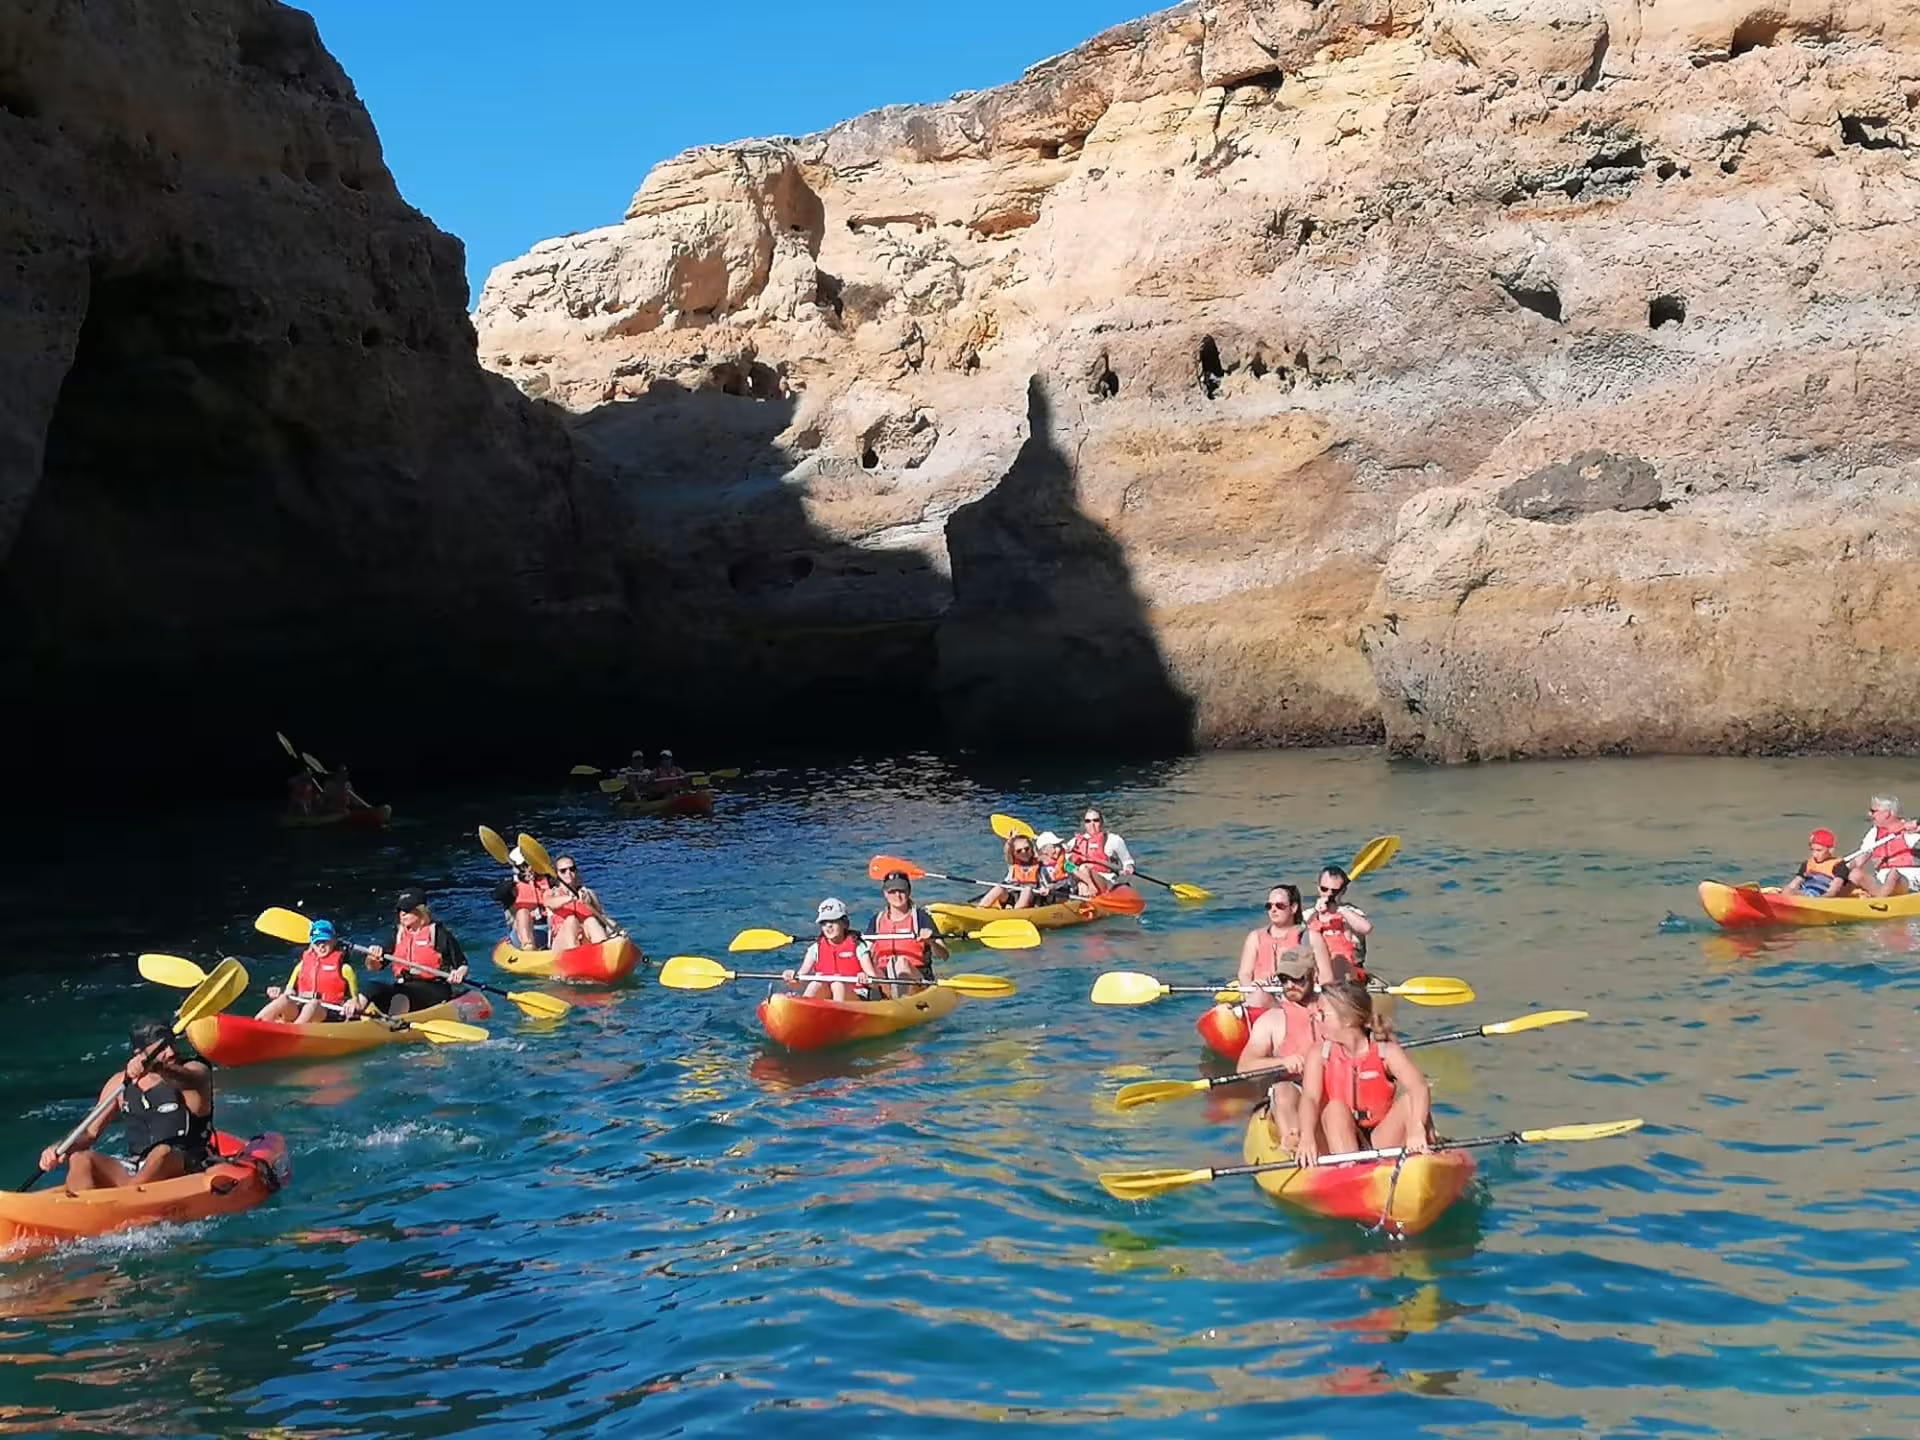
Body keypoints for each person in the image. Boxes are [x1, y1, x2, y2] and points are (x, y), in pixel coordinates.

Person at [38, 1023, 216, 1190]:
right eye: (161, 1049)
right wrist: (61, 1147)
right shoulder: (120, 1083)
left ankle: (129, 1197)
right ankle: (84, 1205)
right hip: (139, 1167)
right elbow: (90, 1132)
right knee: (80, 1158)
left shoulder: (195, 1069)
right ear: (139, 1053)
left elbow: (191, 1079)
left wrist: (158, 1066)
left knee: (162, 1153)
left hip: (187, 1162)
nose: (171, 1052)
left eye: (171, 1044)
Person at [1296, 979, 1434, 1165]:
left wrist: (1417, 1127)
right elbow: (1310, 1098)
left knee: (1410, 1101)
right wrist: (1306, 1137)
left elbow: (1419, 1087)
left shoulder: (1386, 1051)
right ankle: (1348, 1168)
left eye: (1322, 1014)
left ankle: (1419, 1150)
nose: (1317, 1019)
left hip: (1381, 1139)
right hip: (1340, 1136)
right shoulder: (1319, 1053)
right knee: (1334, 1109)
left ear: (1347, 1020)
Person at [1236, 948, 1321, 1150]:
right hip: (1295, 1091)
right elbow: (1244, 1067)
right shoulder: (1272, 1020)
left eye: (1297, 978)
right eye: (1284, 979)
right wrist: (1283, 1062)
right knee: (1282, 1090)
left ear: (1314, 975)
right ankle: (1294, 1146)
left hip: (1333, 1089)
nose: (1289, 985)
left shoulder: (1334, 1011)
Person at [358, 890, 470, 1017]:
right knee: (371, 987)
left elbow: (462, 965)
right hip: (404, 987)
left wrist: (458, 974)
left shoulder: (439, 933)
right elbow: (373, 967)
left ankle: (394, 1023)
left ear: (421, 911)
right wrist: (372, 957)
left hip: (434, 988)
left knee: (402, 994)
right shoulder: (398, 934)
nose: (403, 914)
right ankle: (351, 1014)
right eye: (400, 910)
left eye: (407, 910)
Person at [1237, 884, 1335, 1007]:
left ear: (1293, 908)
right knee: (1258, 997)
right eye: (1269, 906)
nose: (1273, 910)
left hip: (1298, 1002)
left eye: (1280, 906)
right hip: (1260, 1000)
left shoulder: (1311, 938)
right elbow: (1244, 974)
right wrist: (1251, 988)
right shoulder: (1255, 937)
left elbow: (1326, 978)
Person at [256, 918, 357, 1024]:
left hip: (329, 1012)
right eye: (317, 942)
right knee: (283, 998)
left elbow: (356, 1001)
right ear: (312, 944)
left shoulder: (345, 969)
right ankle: (258, 1023)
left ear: (334, 941)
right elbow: (289, 991)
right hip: (301, 1007)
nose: (321, 946)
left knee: (312, 1004)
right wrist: (277, 992)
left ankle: (294, 1030)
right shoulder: (301, 966)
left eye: (325, 941)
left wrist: (352, 1002)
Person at [784, 898, 876, 1001]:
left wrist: (865, 977)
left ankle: (837, 1009)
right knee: (816, 983)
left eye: (833, 921)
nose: (828, 926)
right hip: (828, 993)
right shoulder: (815, 949)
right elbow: (801, 977)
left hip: (856, 994)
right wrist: (792, 977)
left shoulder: (858, 947)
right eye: (824, 923)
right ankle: (803, 1004)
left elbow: (874, 980)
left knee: (837, 984)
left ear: (844, 923)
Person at [867, 871, 947, 987]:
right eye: (892, 891)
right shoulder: (877, 920)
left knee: (901, 963)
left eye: (902, 891)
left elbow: (944, 955)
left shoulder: (921, 918)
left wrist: (931, 942)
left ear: (909, 892)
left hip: (917, 976)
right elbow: (864, 953)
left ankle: (899, 995)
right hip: (885, 977)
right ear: (885, 893)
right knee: (868, 969)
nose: (897, 895)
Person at [1835, 796, 1920, 898]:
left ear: (1886, 813)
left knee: (1893, 874)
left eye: (1873, 811)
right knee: (1855, 874)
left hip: (1908, 884)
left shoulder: (1911, 830)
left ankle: (1880, 900)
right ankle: (1834, 898)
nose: (1869, 814)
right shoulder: (1874, 832)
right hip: (1881, 884)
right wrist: (1845, 867)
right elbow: (1859, 861)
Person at [1308, 865, 1373, 980]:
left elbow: (1367, 928)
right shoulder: (1309, 914)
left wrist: (1337, 909)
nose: (1329, 894)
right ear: (1318, 888)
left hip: (1350, 973)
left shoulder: (1352, 912)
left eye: (1334, 891)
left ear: (1343, 891)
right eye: (1324, 889)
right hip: (1319, 972)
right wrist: (1317, 914)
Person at [545, 855, 620, 951]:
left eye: (572, 869)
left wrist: (617, 930)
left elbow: (602, 916)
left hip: (585, 938)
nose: (568, 873)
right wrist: (570, 898)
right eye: (563, 871)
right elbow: (549, 903)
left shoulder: (588, 893)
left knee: (591, 920)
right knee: (571, 920)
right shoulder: (552, 893)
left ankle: (602, 950)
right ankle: (573, 953)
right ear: (557, 874)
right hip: (563, 943)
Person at [1066, 807, 1135, 897]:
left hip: (1106, 880)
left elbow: (1128, 861)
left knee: (1083, 868)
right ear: (1085, 824)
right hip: (1081, 879)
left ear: (1101, 822)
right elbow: (1064, 862)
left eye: (1096, 820)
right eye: (1088, 821)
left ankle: (1086, 895)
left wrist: (1129, 867)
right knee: (1076, 871)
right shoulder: (1074, 842)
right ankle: (1083, 895)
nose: (1092, 824)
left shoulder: (1114, 840)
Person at [491, 846, 551, 949]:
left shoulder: (549, 881)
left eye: (532, 865)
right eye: (525, 866)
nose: (530, 869)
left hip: (549, 930)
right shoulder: (511, 887)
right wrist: (516, 880)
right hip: (521, 933)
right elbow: (496, 895)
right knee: (523, 912)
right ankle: (528, 946)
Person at [980, 832, 1048, 909]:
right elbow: (1007, 851)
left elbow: (1045, 854)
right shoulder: (1012, 862)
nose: (1024, 852)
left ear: (1031, 849)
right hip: (1011, 895)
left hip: (1031, 896)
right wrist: (1010, 841)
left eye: (1027, 849)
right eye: (1019, 851)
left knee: (1027, 890)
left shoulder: (1039, 861)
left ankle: (1017, 911)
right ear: (1014, 853)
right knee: (998, 888)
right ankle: (981, 908)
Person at [1781, 828, 1846, 897]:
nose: (1814, 854)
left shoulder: (1838, 865)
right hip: (1805, 891)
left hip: (1820, 894)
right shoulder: (1807, 864)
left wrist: (1823, 899)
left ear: (1831, 850)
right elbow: (1795, 883)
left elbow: (1833, 890)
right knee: (1787, 890)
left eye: (1819, 850)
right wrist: (1788, 890)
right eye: (1812, 850)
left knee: (1797, 893)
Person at [1034, 832, 1074, 901]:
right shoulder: (1038, 865)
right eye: (1054, 846)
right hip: (1045, 894)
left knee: (1060, 893)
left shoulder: (1065, 862)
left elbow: (1070, 878)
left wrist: (1052, 887)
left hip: (1063, 892)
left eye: (1058, 846)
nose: (1058, 849)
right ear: (1044, 850)